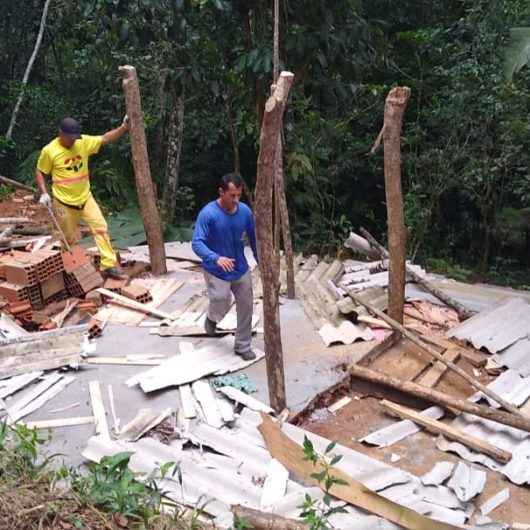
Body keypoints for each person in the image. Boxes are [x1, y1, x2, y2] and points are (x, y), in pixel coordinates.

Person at [35, 116, 129, 278]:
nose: (73, 141)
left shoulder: (82, 142)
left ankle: (108, 265)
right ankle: (68, 268)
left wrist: (123, 127)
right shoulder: (49, 151)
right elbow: (40, 171)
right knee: (67, 239)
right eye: (70, 138)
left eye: (75, 138)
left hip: (85, 198)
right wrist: (44, 192)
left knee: (101, 228)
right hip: (63, 203)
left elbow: (105, 138)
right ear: (61, 133)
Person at [192, 173, 258, 361]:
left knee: (246, 306)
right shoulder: (208, 214)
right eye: (232, 195)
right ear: (221, 192)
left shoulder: (245, 212)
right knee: (221, 300)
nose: (236, 200)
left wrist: (261, 261)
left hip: (240, 268)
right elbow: (197, 243)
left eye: (239, 195)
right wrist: (215, 258)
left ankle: (243, 345)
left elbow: (254, 239)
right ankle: (212, 318)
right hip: (216, 270)